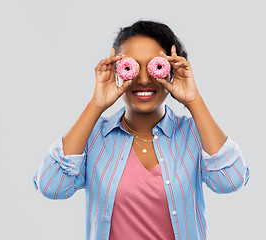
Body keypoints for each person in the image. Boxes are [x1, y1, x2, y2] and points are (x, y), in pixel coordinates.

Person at [33, 19, 250, 240]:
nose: (144, 79)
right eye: (131, 67)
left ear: (172, 70)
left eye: (155, 67)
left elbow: (230, 181)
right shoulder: (93, 136)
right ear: (117, 70)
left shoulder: (193, 133)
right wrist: (96, 105)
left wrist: (193, 100)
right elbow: (52, 186)